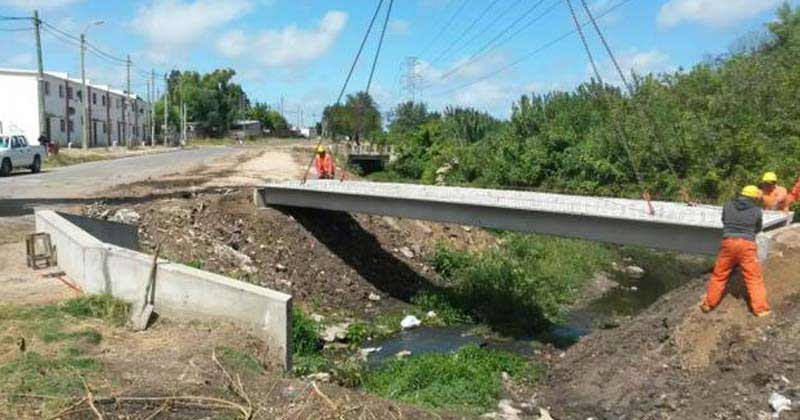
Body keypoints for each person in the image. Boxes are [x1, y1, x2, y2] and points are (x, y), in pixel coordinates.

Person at [701, 185, 770, 317]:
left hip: (728, 243)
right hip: (746, 245)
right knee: (753, 277)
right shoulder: (756, 210)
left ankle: (708, 304)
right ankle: (761, 310)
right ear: (754, 197)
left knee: (719, 275)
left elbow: (724, 221)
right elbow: (758, 228)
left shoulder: (728, 205)